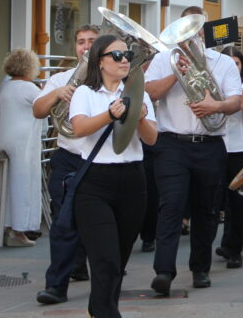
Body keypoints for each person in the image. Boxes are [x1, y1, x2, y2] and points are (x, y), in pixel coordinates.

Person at [146, 6, 242, 296]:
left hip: (209, 144)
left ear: (203, 31)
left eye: (196, 30)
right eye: (185, 32)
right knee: (171, 207)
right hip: (172, 144)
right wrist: (177, 74)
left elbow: (235, 102)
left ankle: (200, 268)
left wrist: (215, 106)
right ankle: (164, 271)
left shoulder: (222, 63)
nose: (192, 37)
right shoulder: (165, 60)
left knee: (206, 209)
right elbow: (149, 92)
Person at [69, 34, 157, 318]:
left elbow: (152, 139)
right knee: (104, 258)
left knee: (118, 259)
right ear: (100, 61)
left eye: (127, 56)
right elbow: (79, 128)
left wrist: (140, 116)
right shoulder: (86, 92)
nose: (124, 61)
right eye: (116, 56)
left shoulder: (137, 92)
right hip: (95, 182)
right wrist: (109, 114)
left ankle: (101, 309)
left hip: (132, 179)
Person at [34, 24, 99, 304]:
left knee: (97, 225)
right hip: (68, 156)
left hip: (100, 159)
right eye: (81, 41)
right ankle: (56, 286)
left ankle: (101, 282)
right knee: (63, 222)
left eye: (92, 42)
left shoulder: (111, 80)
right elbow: (37, 110)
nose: (85, 47)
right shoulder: (62, 78)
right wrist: (58, 94)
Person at [0, 48, 43, 247]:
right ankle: (19, 229)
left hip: (4, 137)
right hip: (23, 140)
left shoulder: (6, 86)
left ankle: (6, 225)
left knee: (7, 184)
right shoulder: (28, 88)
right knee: (25, 184)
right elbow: (45, 106)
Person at [215, 46, 243, 269]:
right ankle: (221, 243)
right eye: (228, 62)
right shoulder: (215, 81)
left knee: (238, 201)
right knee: (215, 200)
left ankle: (234, 249)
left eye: (236, 63)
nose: (232, 66)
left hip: (240, 146)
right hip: (216, 144)